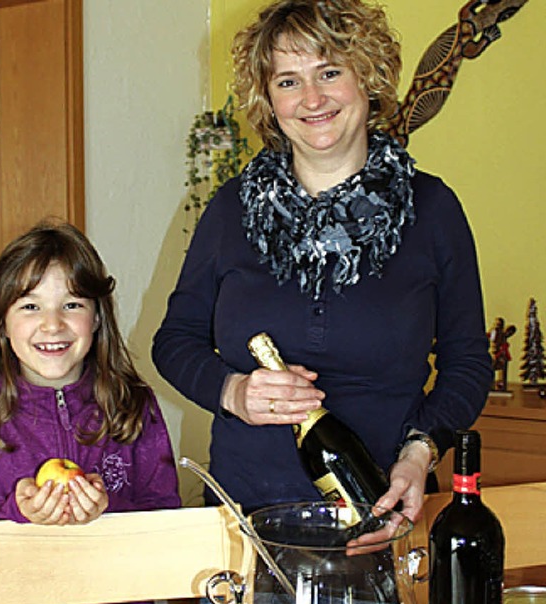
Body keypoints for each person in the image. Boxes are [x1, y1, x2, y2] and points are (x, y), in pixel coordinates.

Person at [153, 0, 492, 525]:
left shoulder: (433, 211)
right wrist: (233, 391)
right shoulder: (229, 209)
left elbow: (468, 362)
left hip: (383, 511)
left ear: (368, 75)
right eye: (288, 81)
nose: (312, 98)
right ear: (267, 98)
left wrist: (420, 451)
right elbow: (175, 342)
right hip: (246, 521)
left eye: (329, 72)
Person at [0, 221, 180, 604]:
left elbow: (167, 540)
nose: (52, 324)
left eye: (72, 304)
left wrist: (107, 509)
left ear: (97, 317)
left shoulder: (134, 405)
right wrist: (16, 517)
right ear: (2, 324)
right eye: (29, 306)